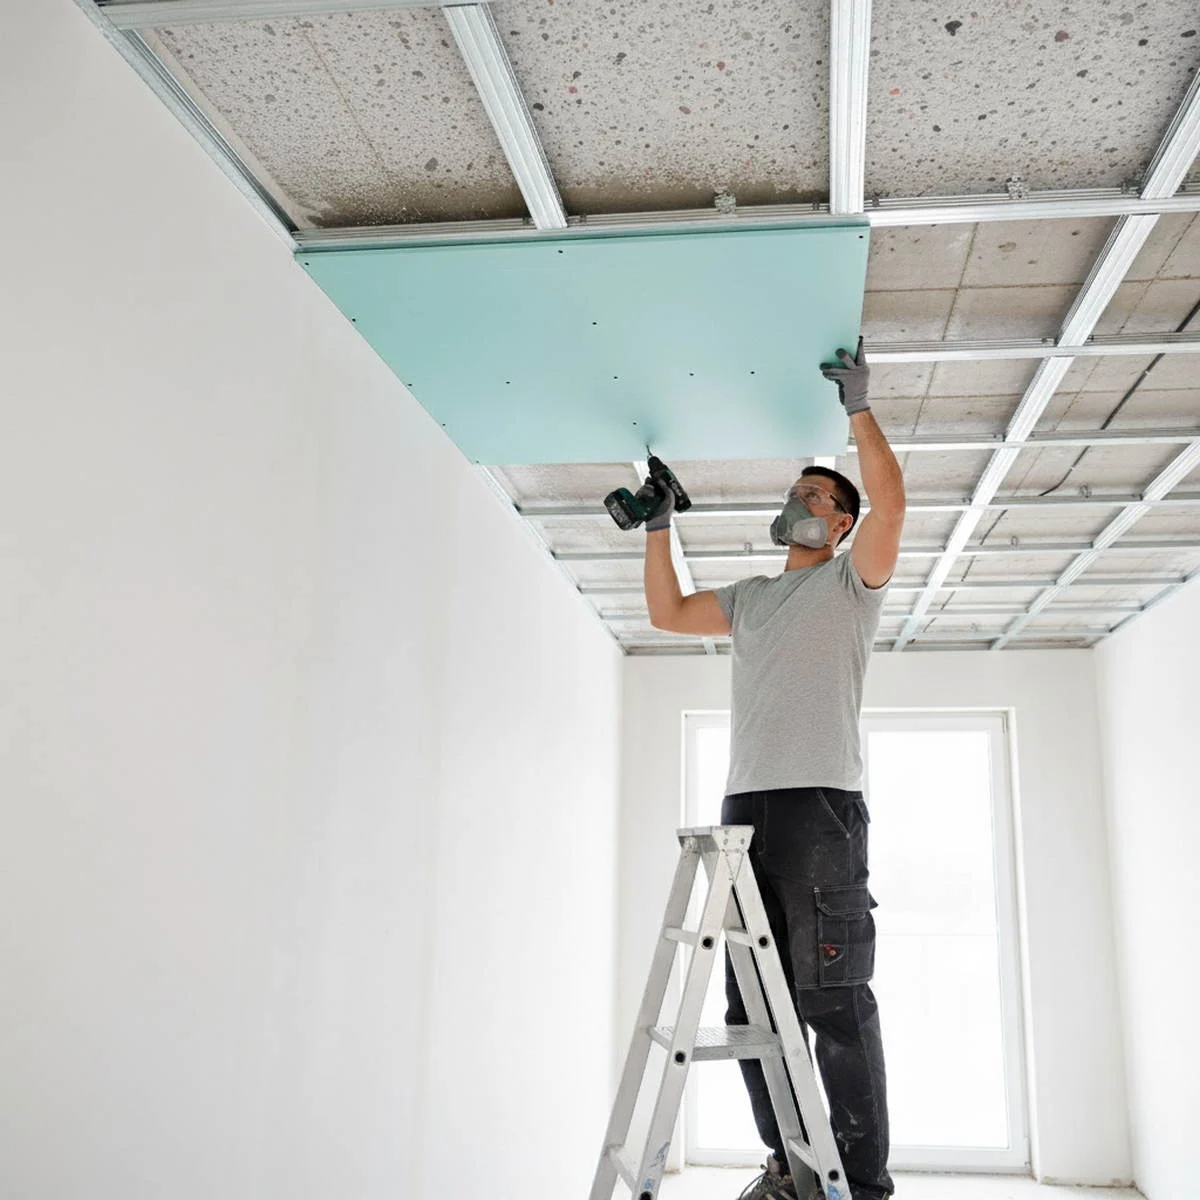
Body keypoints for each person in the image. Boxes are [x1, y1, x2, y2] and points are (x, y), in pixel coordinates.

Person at [641, 340, 905, 1200]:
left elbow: (894, 503)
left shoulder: (850, 586)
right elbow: (668, 611)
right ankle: (792, 1166)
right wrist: (657, 524)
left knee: (831, 1003)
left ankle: (859, 1185)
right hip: (745, 809)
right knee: (751, 1012)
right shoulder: (754, 596)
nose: (799, 501)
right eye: (795, 492)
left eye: (816, 496)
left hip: (822, 809)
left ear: (839, 527)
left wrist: (857, 410)